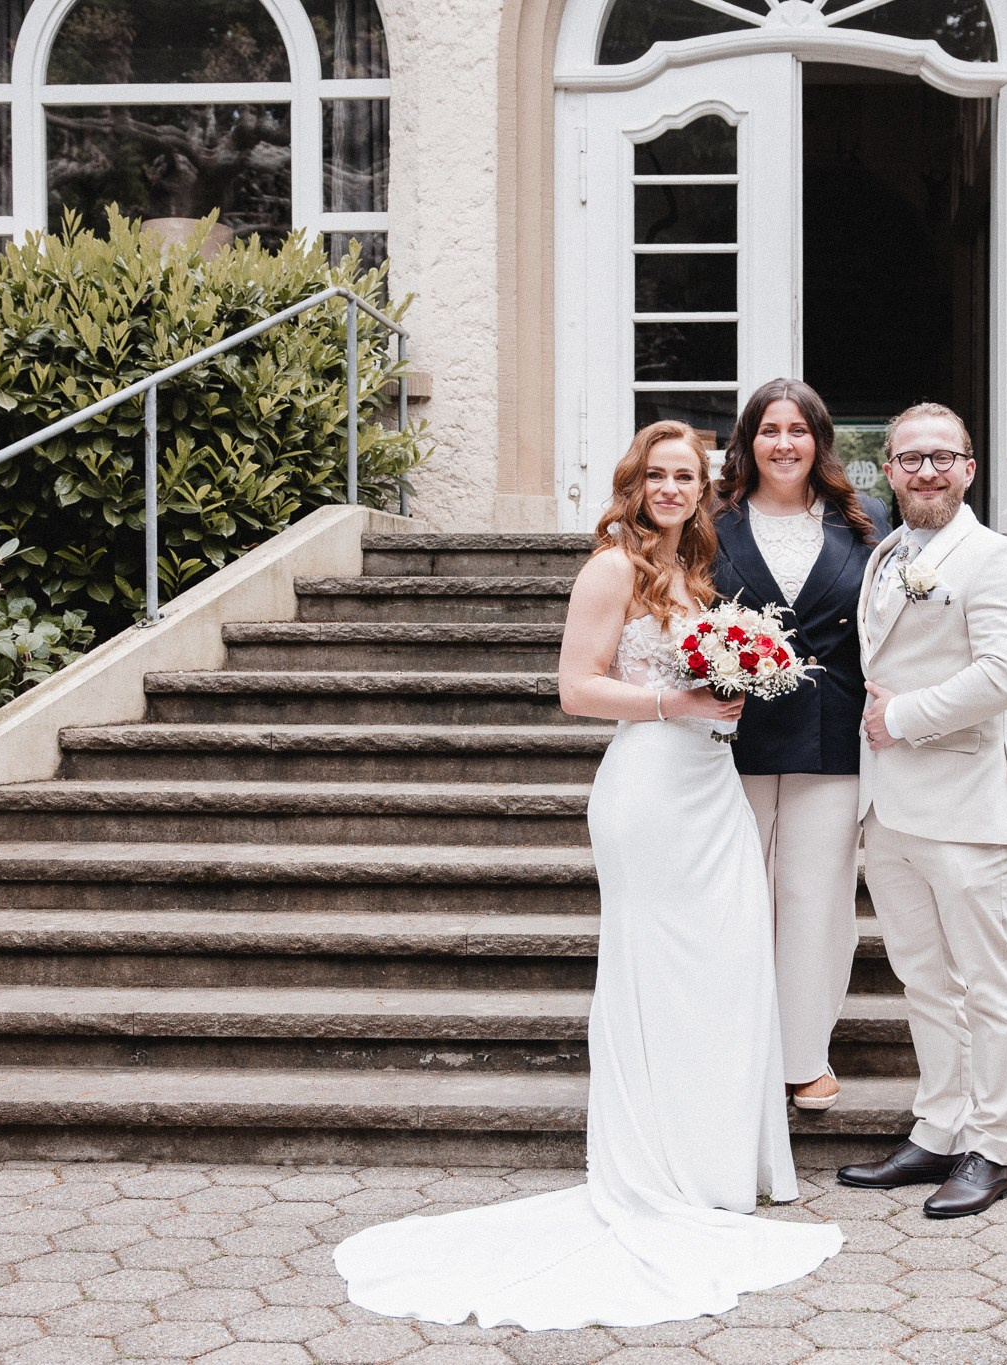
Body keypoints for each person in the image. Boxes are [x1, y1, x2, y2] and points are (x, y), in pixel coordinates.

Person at [334, 421, 844, 1328]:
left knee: (722, 974)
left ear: (705, 485)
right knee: (652, 975)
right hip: (646, 793)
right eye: (658, 474)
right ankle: (655, 1170)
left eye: (687, 474)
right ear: (635, 481)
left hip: (710, 789)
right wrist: (672, 701)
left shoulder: (698, 569)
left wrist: (732, 692)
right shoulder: (612, 565)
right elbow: (576, 686)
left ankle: (715, 1165)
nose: (673, 488)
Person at [836, 401, 1007, 1220]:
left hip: (963, 802)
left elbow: (1004, 677)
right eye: (910, 458)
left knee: (988, 985)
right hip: (887, 806)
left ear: (969, 468)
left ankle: (992, 1150)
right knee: (925, 980)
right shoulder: (887, 552)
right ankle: (938, 1126)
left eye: (942, 457)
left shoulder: (999, 558)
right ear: (887, 469)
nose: (926, 471)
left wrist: (904, 717)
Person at [712, 379, 889, 1113]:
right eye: (768, 429)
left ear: (820, 440)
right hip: (731, 732)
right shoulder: (710, 521)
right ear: (748, 441)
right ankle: (733, 1049)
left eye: (798, 429)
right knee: (734, 894)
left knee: (816, 900)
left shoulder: (867, 519)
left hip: (832, 733)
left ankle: (804, 1057)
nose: (784, 443)